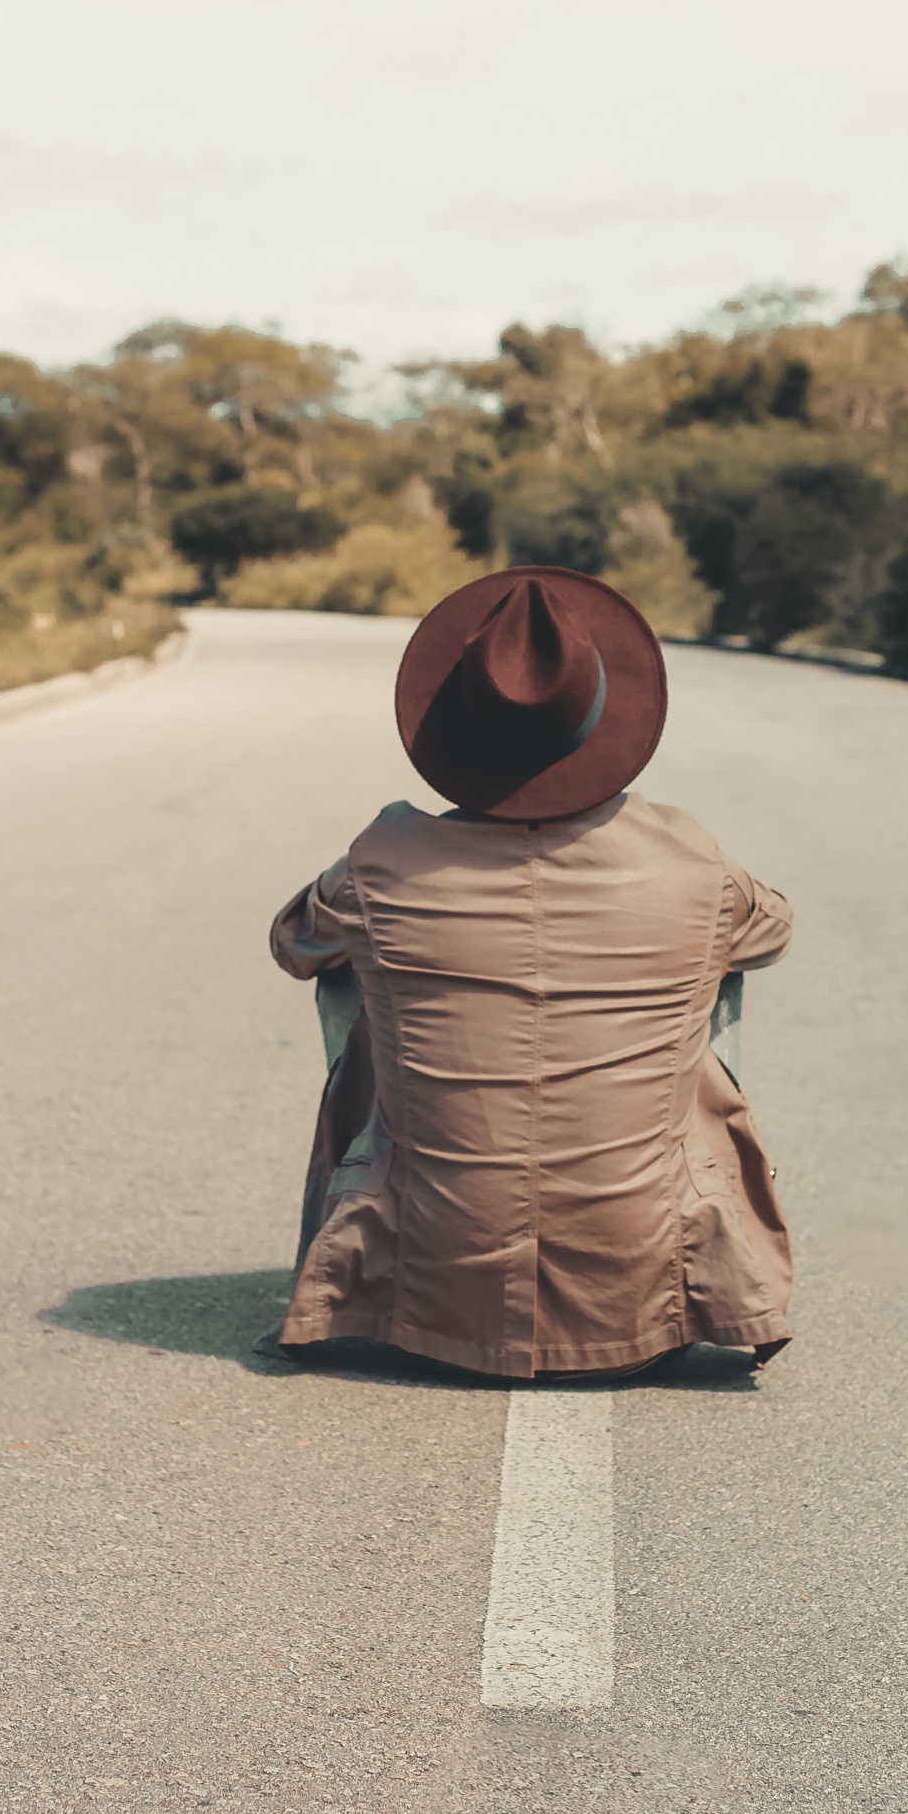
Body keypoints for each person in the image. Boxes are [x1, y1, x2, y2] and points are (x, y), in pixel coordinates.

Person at [265, 565, 793, 1380]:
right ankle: (697, 1235)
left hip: (434, 1298)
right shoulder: (691, 857)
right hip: (639, 1298)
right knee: (717, 969)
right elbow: (776, 926)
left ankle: (373, 1225)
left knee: (351, 972)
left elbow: (292, 944)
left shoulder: (383, 860)